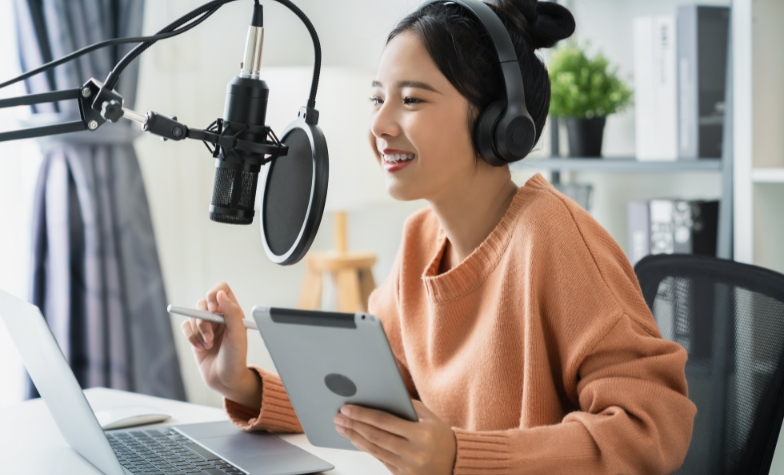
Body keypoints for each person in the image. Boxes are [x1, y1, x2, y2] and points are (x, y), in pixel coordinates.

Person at [181, 0, 697, 473]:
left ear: (498, 122)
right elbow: (374, 399)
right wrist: (242, 384)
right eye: (377, 98)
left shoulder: (553, 239)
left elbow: (651, 430)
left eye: (410, 99)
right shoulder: (420, 240)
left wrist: (459, 456)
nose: (379, 124)